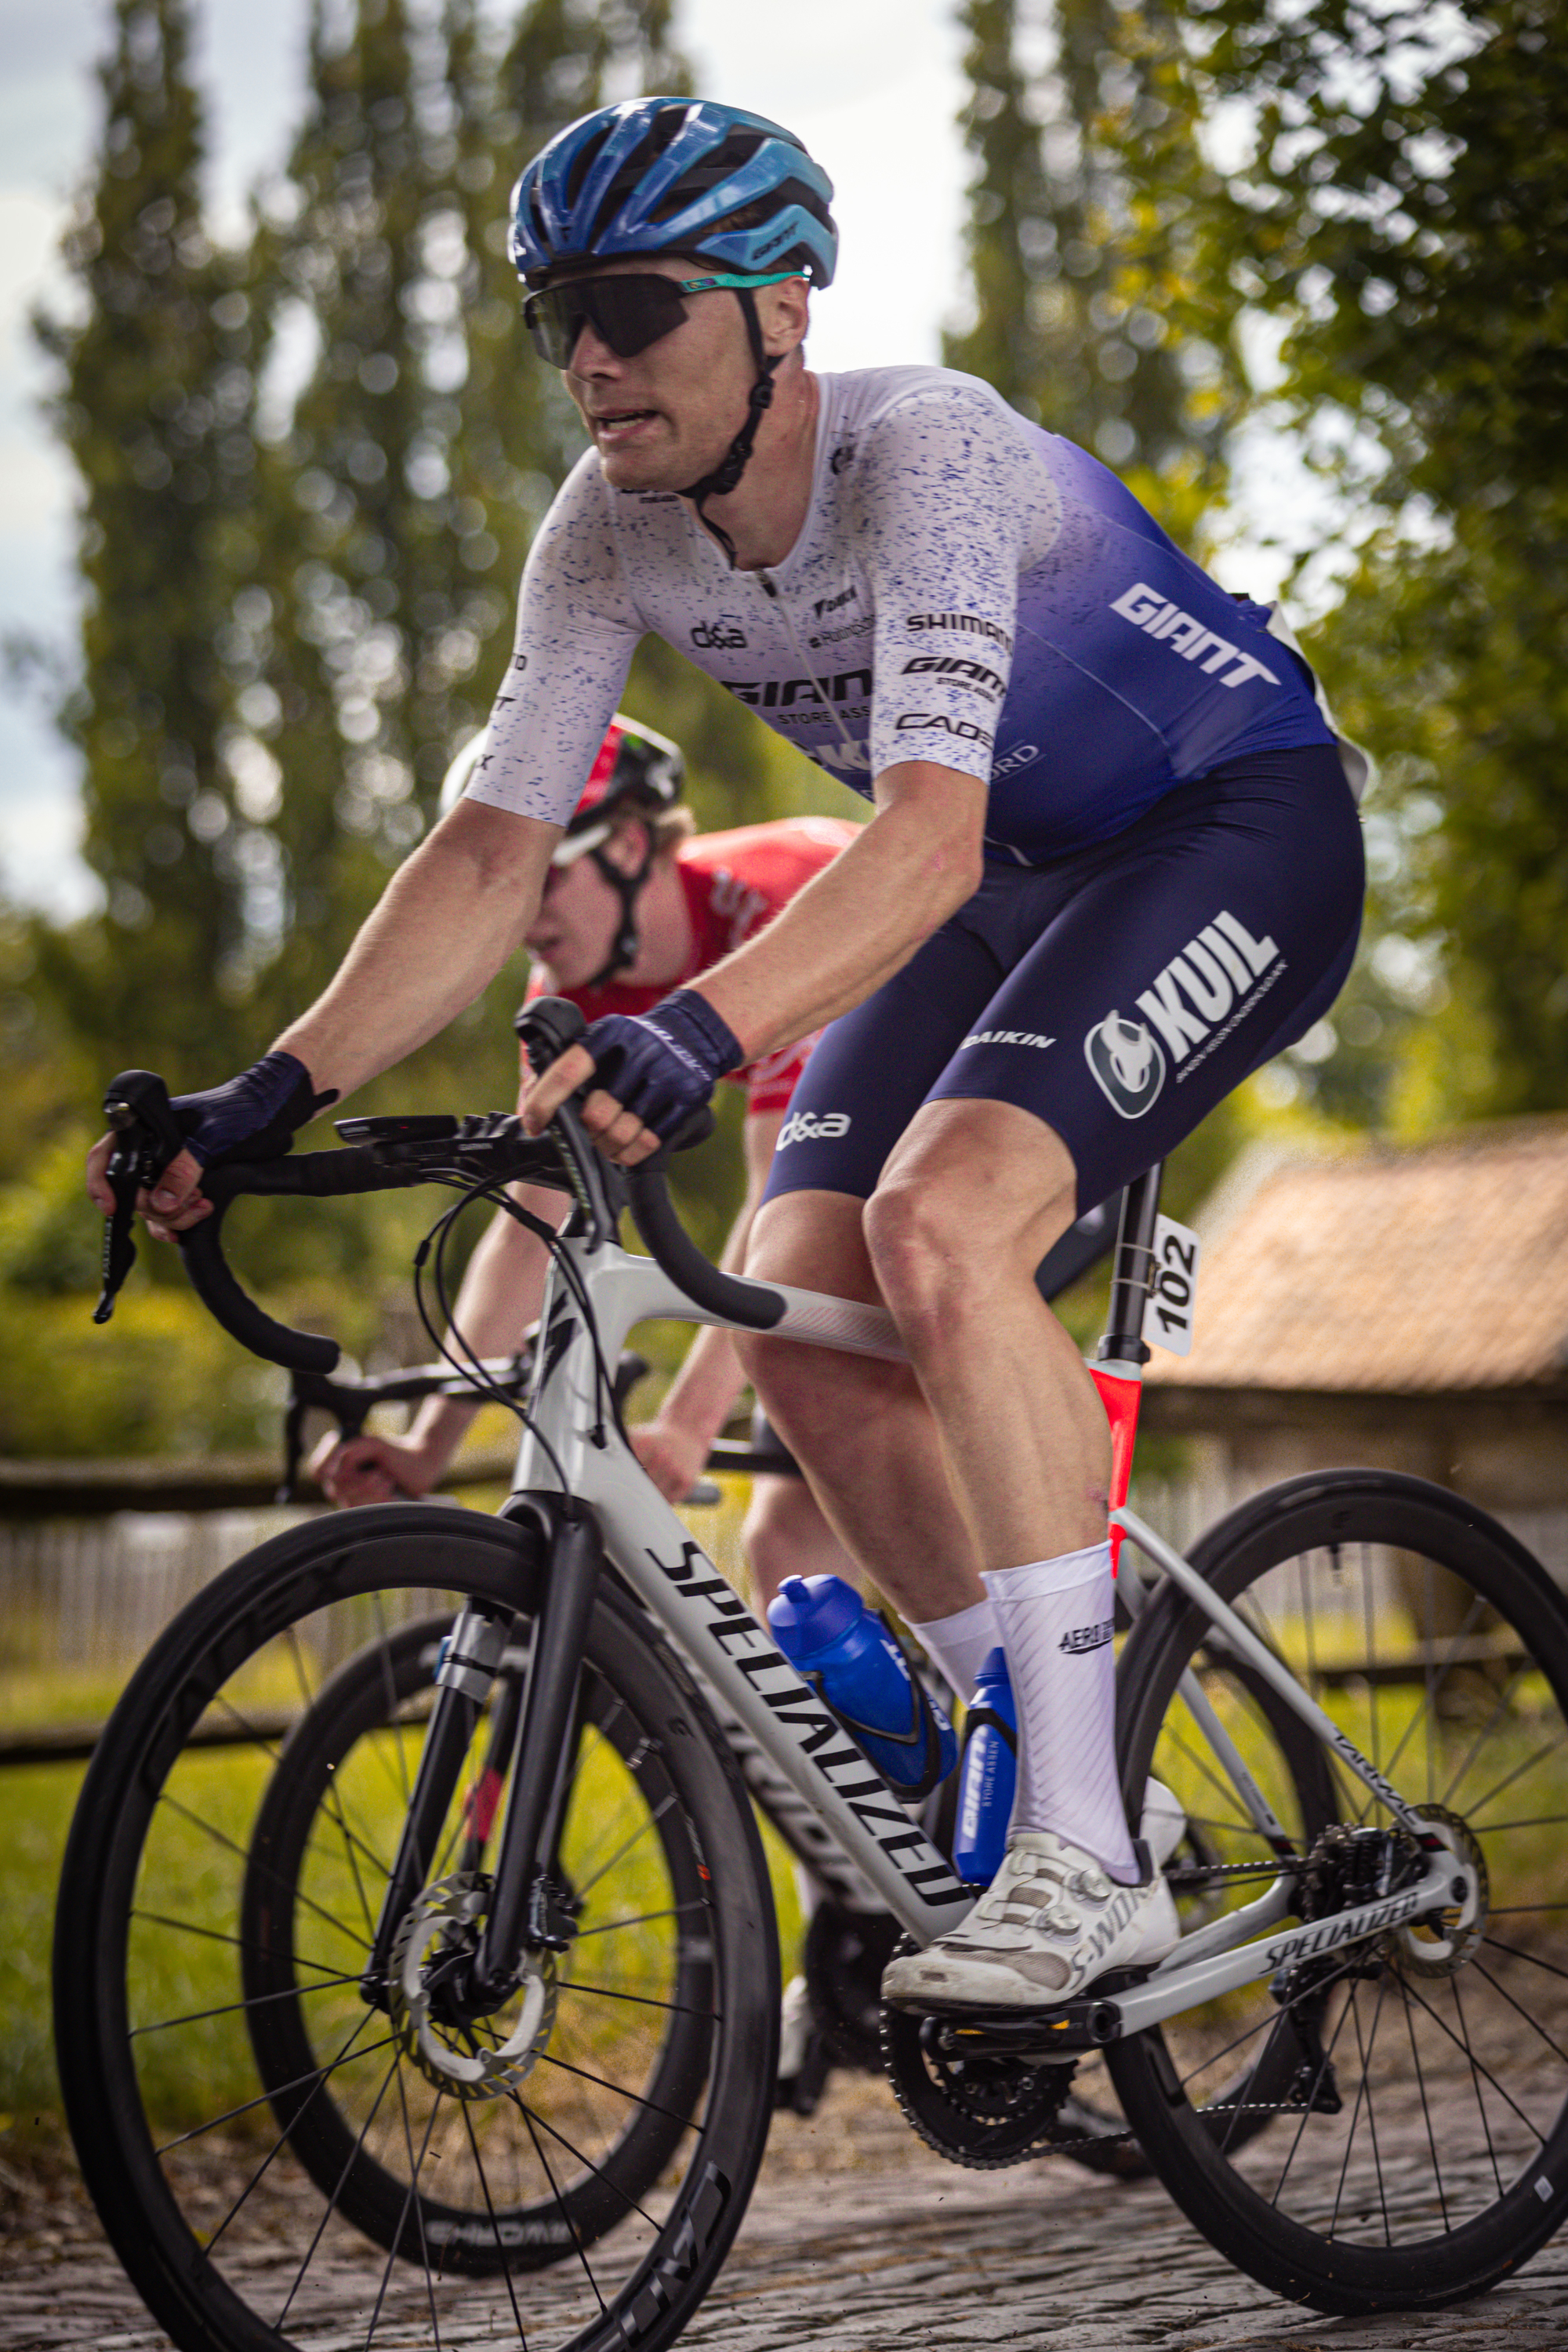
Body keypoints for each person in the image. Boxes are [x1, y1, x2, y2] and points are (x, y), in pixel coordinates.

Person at [89, 97, 1366, 2016]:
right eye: (554, 316)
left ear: (781, 310)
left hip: (1225, 830)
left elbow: (918, 836)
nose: (591, 354)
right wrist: (265, 1093)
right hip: (1008, 876)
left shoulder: (918, 450)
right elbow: (485, 851)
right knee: (784, 1300)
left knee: (942, 1227)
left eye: (631, 302)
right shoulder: (605, 534)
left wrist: (690, 1024)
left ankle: (1086, 1858)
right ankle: (1052, 1753)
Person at [311, 710, 862, 1617]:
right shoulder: (566, 988)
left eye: (542, 881)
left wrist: (687, 1425)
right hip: (860, 1160)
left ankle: (1032, 1708)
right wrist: (428, 1445)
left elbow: (779, 1200)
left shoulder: (771, 907)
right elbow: (531, 1223)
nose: (520, 919)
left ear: (631, 844)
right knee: (793, 1556)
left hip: (991, 1104)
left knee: (827, 1446)